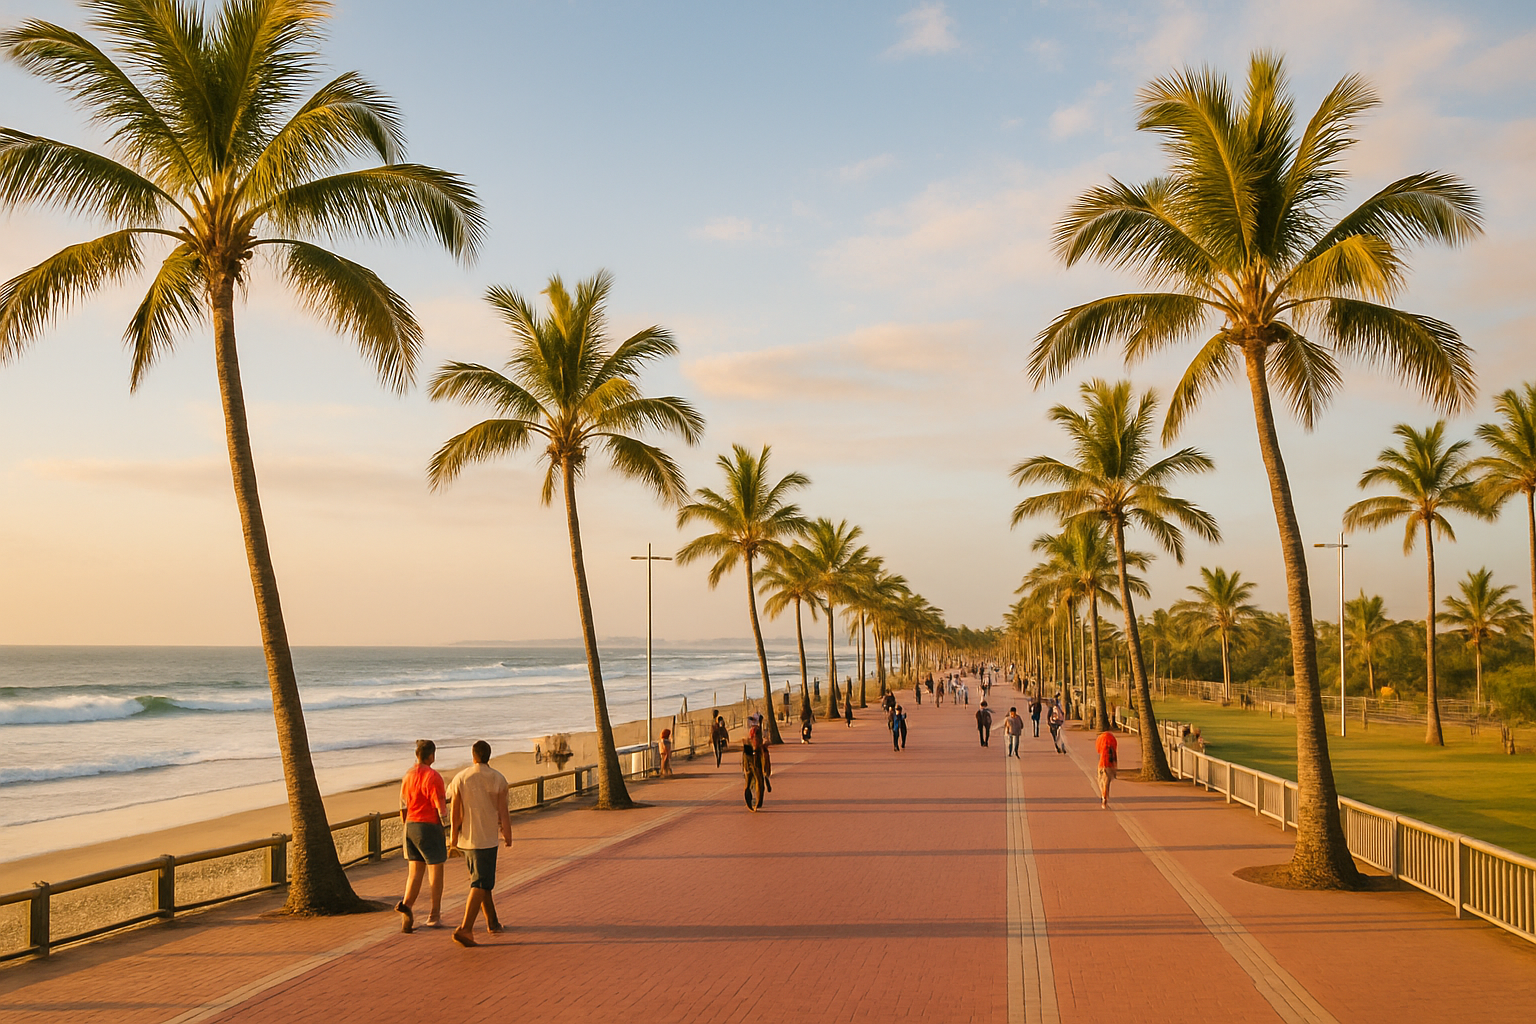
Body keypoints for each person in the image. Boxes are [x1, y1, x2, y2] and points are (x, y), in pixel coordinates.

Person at [447, 739, 511, 948]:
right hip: (486, 839)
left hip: (467, 839)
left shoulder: (460, 778)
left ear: (473, 755)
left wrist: (453, 837)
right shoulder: (498, 779)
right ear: (488, 756)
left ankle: (492, 922)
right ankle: (465, 928)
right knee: (481, 883)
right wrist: (507, 832)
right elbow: (503, 811)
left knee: (482, 881)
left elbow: (455, 810)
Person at [396, 739, 447, 933]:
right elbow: (440, 806)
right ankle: (434, 915)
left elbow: (402, 804)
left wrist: (406, 825)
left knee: (415, 872)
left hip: (410, 824)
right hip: (429, 824)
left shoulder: (407, 775)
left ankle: (407, 905)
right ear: (431, 756)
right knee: (435, 870)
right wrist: (447, 830)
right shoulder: (433, 777)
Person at [1096, 727, 1119, 808]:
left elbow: (1098, 750)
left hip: (1102, 762)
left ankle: (1103, 795)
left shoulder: (1100, 738)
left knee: (1101, 780)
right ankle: (1105, 796)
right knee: (1107, 782)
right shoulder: (1112, 738)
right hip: (1110, 763)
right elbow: (1115, 750)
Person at [741, 734, 765, 810]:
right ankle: (757, 802)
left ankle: (753, 802)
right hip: (754, 760)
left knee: (749, 783)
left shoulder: (749, 736)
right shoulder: (757, 736)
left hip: (748, 757)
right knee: (759, 782)